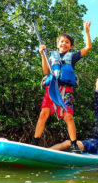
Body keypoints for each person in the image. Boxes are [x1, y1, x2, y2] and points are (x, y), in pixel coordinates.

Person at [31, 21, 92, 153]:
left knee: (68, 117)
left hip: (66, 90)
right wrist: (42, 55)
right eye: (61, 42)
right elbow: (46, 72)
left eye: (67, 42)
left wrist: (86, 31)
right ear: (57, 44)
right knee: (43, 114)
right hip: (52, 88)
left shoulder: (73, 57)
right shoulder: (50, 56)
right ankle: (35, 141)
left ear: (71, 46)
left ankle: (74, 144)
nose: (63, 43)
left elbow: (88, 47)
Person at [50, 75, 98, 159]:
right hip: (90, 142)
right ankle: (45, 152)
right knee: (67, 143)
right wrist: (97, 85)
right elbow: (97, 100)